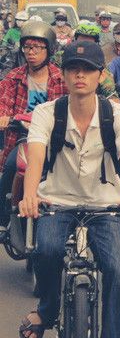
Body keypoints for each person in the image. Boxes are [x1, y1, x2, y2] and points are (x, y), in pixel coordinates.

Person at [17, 40, 120, 338]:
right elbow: (35, 156)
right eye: (74, 68)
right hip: (56, 202)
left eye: (88, 69)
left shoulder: (117, 113)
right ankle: (47, 312)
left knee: (118, 273)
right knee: (45, 251)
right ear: (63, 74)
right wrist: (29, 196)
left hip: (105, 205)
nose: (80, 74)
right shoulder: (48, 112)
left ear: (99, 76)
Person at [0, 22, 66, 213]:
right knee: (11, 167)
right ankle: (4, 219)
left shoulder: (62, 79)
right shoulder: (13, 77)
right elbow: (3, 101)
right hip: (23, 140)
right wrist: (4, 116)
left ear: (50, 50)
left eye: (37, 47)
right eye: (27, 47)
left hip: (55, 140)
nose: (31, 52)